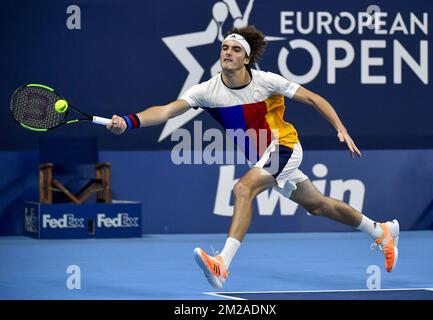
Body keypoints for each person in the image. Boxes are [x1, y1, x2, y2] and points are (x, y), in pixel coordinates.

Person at [107, 26, 400, 290]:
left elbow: (313, 98)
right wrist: (129, 121)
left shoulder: (266, 82)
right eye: (224, 48)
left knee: (243, 189)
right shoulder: (207, 90)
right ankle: (382, 231)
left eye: (235, 49)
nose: (228, 53)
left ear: (246, 58)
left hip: (282, 147)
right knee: (318, 205)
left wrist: (340, 128)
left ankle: (222, 264)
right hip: (259, 155)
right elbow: (167, 110)